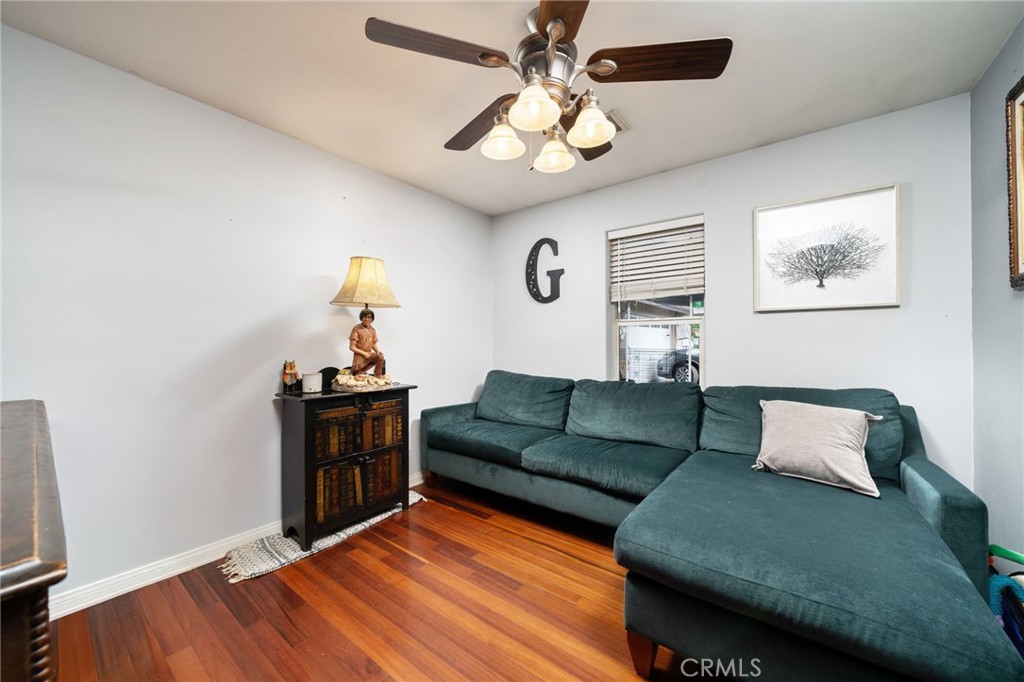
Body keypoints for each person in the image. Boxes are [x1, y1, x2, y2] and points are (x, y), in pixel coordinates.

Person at [349, 309, 385, 375]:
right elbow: (352, 347)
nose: (367, 319)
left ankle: (378, 375)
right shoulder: (357, 329)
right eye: (364, 317)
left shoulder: (372, 330)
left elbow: (373, 344)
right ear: (361, 318)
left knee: (380, 357)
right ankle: (359, 371)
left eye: (369, 317)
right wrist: (364, 353)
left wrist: (378, 351)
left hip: (369, 354)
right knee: (358, 374)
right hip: (360, 355)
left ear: (372, 319)